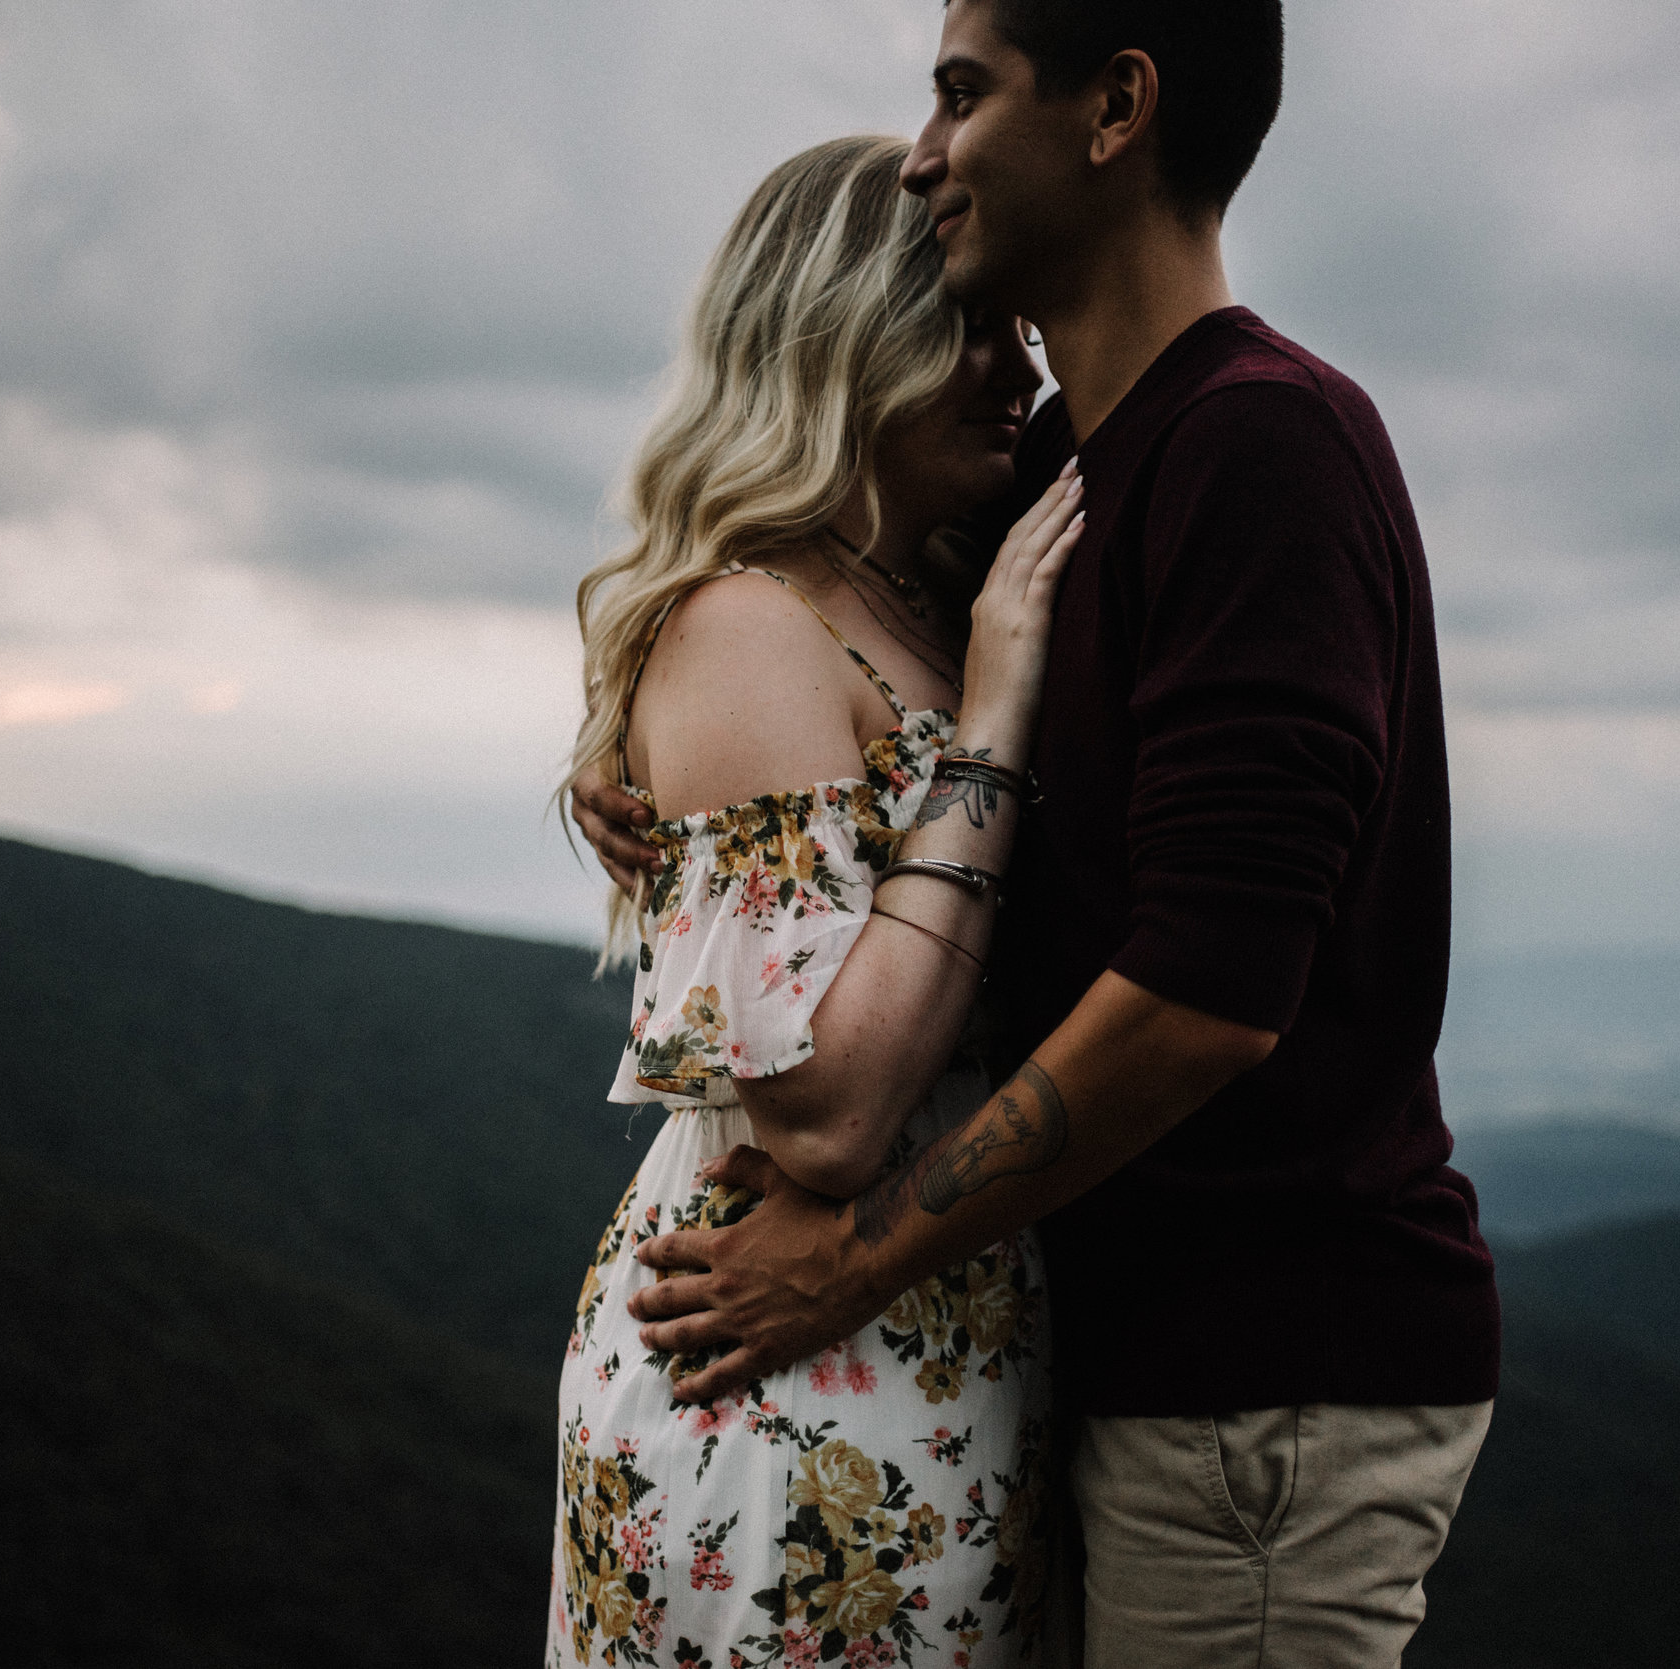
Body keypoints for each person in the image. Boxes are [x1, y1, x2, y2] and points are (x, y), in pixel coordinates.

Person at [572, 5, 1501, 1666]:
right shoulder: (1068, 467)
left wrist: (858, 1255)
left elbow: (1213, 988)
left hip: (1262, 1374)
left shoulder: (1258, 441)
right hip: (1093, 1355)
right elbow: (823, 645)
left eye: (958, 92)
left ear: (1115, 107)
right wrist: (630, 746)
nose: (925, 151)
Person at [550, 134, 1089, 1668]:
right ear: (843, 340)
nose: (1015, 370)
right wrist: (992, 720)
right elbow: (832, 1115)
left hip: (937, 1332)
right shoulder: (748, 621)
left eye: (1016, 328)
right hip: (781, 1377)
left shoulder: (924, 593)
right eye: (968, 328)